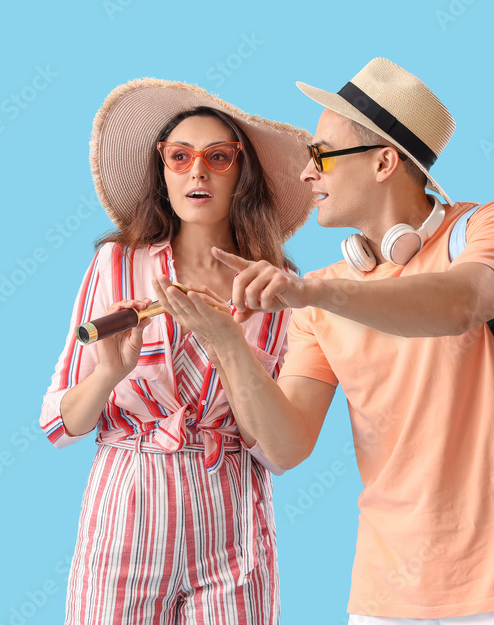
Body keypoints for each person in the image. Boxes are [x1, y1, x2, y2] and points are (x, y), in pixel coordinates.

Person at [154, 58, 494, 624]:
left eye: (321, 156)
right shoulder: (318, 294)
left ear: (384, 160)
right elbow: (286, 446)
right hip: (386, 597)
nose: (306, 174)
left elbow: (459, 305)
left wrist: (315, 296)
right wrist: (228, 344)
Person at [39, 78, 313, 624]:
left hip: (231, 526)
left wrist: (229, 348)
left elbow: (276, 446)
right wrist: (110, 372)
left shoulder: (279, 287)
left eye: (218, 156)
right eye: (179, 156)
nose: (197, 171)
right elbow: (58, 423)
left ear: (243, 173)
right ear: (161, 170)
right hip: (124, 520)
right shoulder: (116, 265)